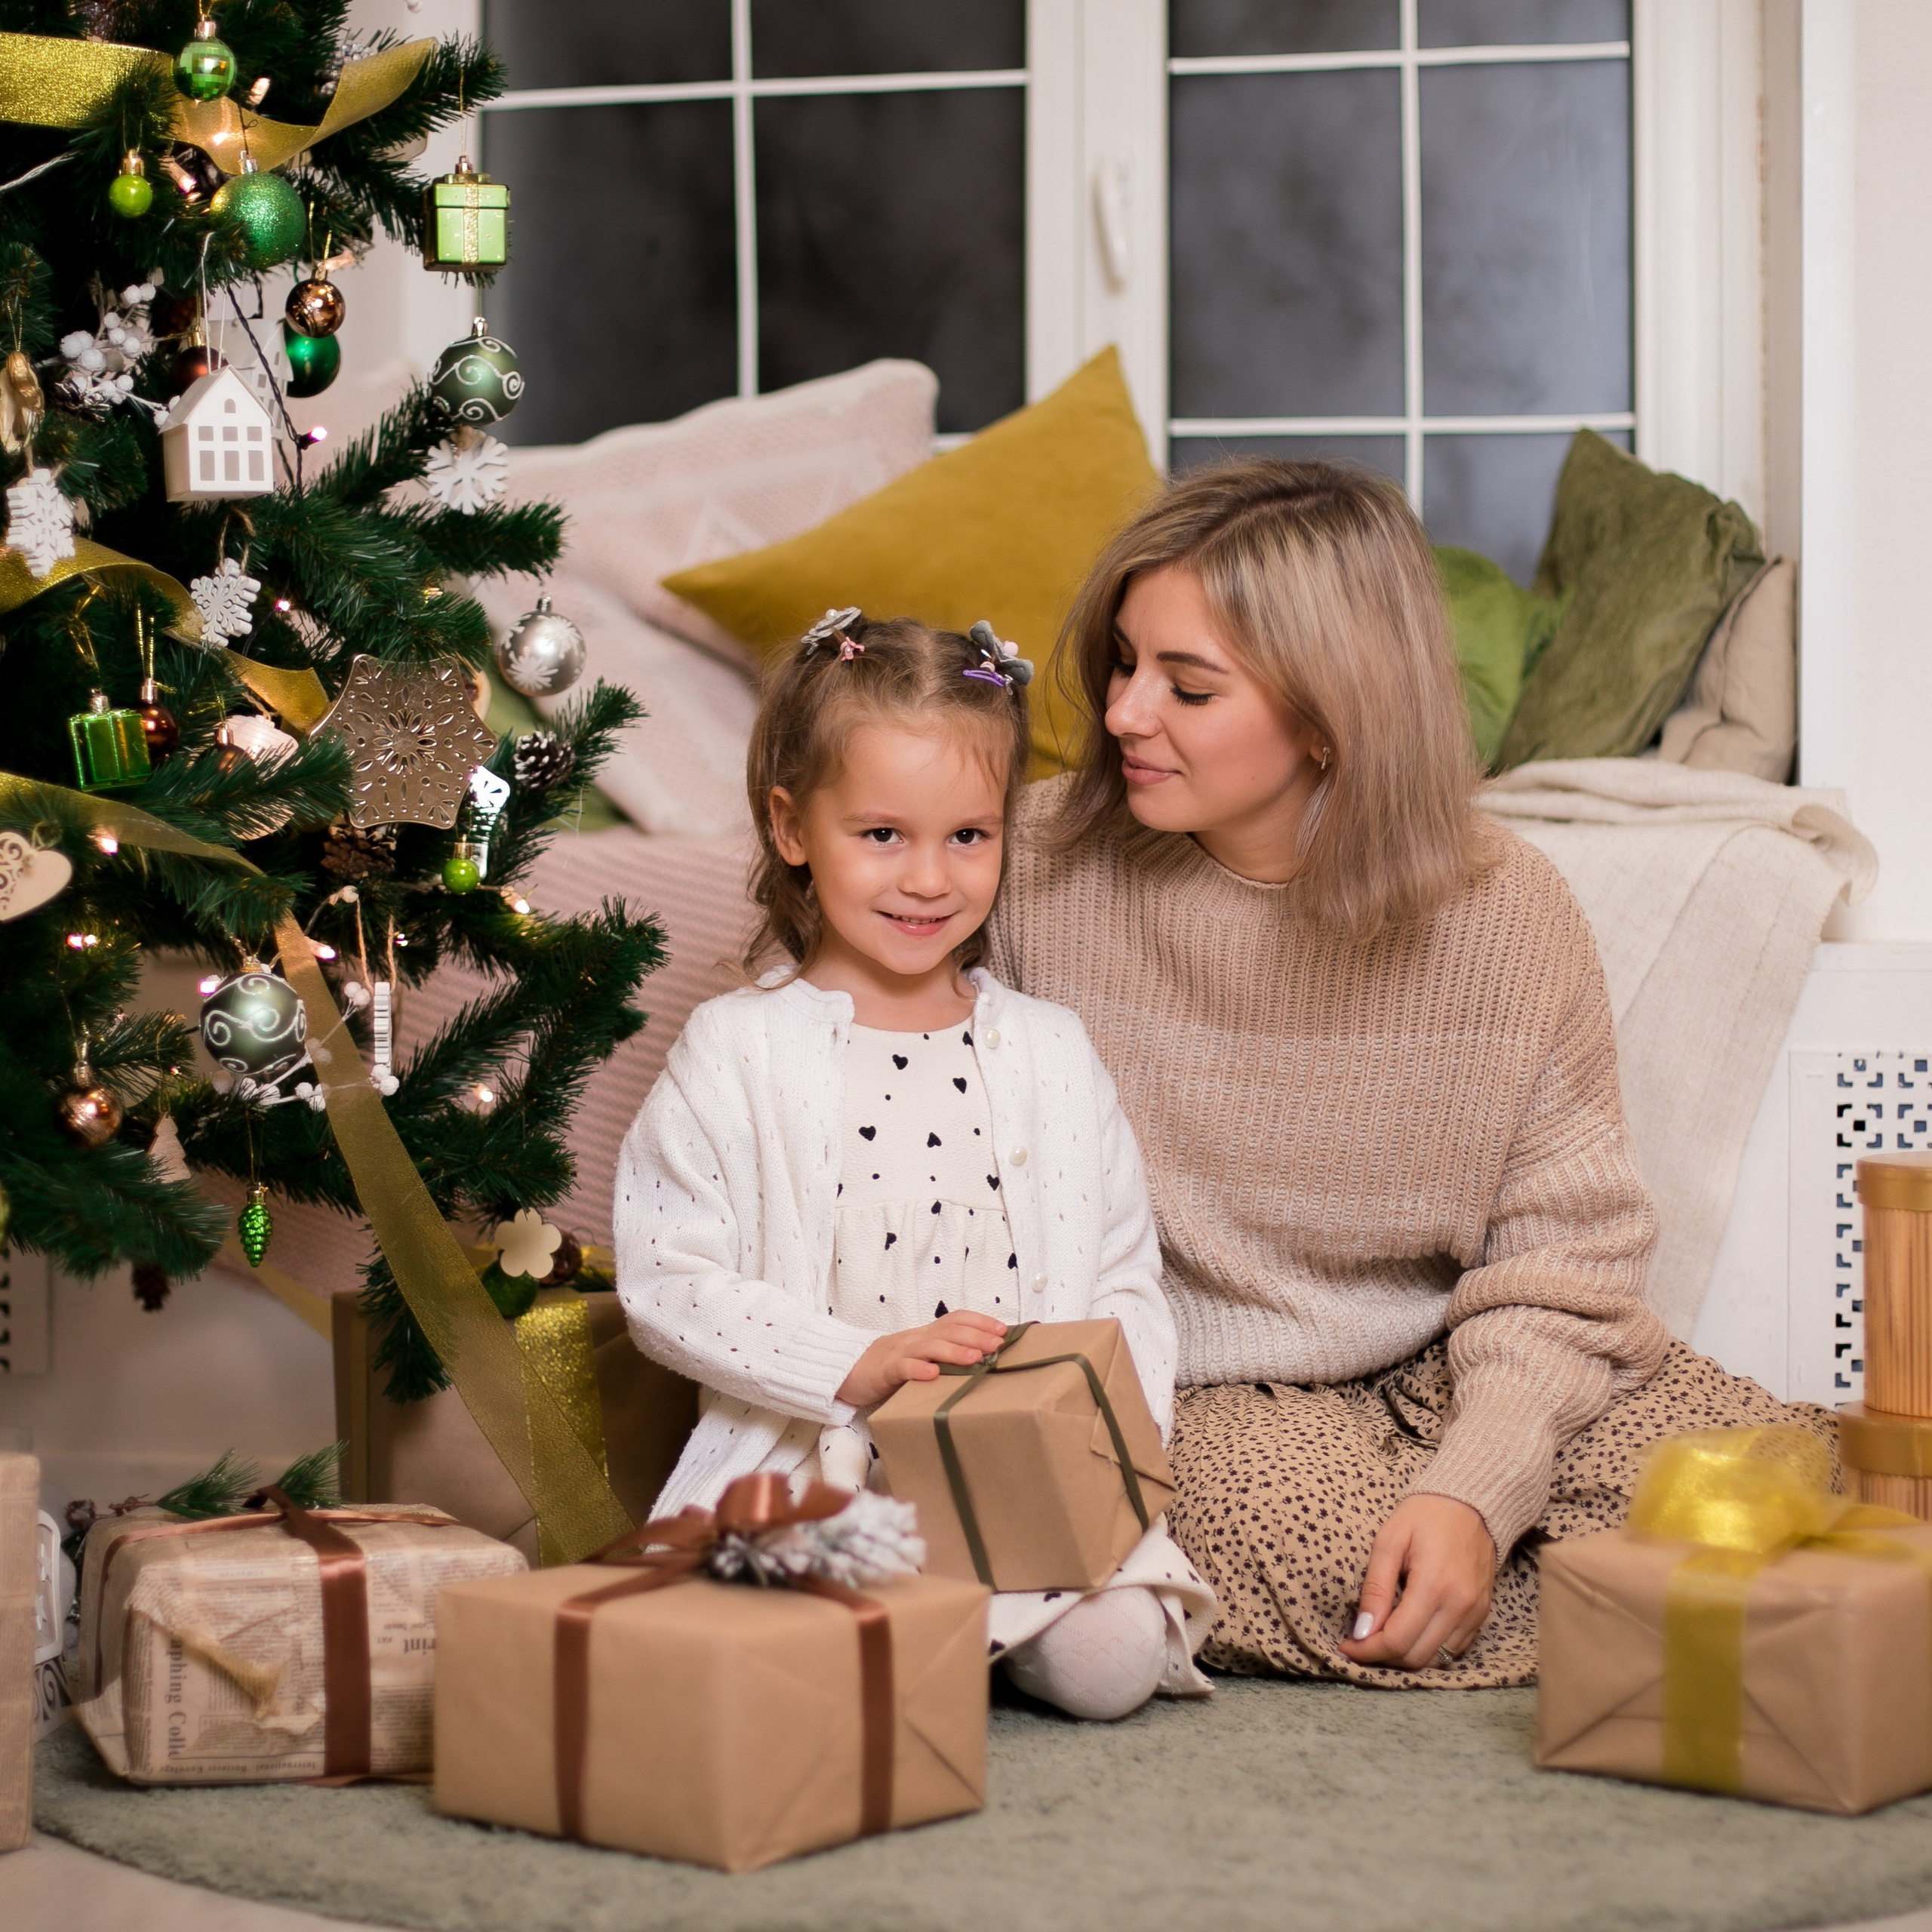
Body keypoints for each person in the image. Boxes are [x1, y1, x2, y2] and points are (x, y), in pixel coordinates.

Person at [986, 460, 1835, 1686]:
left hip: (1446, 1364)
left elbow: (1566, 1264)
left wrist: (1481, 1487)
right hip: (1192, 1393)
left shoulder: (1509, 914)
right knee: (1353, 1566)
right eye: (1125, 663)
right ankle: (1656, 1620)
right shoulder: (1027, 867)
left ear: (1332, 713)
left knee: (1787, 1489)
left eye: (1188, 686)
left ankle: (1619, 1593)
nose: (1121, 714)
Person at [614, 608, 1216, 1720]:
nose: (929, 879)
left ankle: (966, 1630)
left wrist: (1086, 1429)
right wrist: (860, 1363)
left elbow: (1129, 1276)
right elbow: (668, 1281)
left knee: (1114, 1662)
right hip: (819, 1471)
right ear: (793, 828)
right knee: (758, 1652)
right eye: (883, 835)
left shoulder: (1051, 1051)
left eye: (969, 837)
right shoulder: (739, 1049)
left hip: (1018, 1484)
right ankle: (899, 1634)